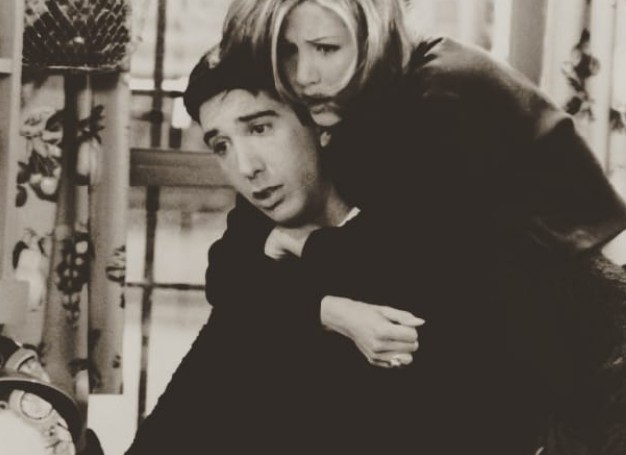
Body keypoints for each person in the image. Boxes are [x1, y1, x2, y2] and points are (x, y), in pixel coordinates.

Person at [187, 0, 626, 453]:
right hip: (533, 361)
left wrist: (304, 246)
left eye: (326, 48)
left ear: (372, 33)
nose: (304, 76)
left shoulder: (437, 99)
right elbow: (228, 270)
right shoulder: (343, 114)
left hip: (590, 354)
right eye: (287, 52)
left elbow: (402, 268)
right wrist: (329, 310)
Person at [126, 50, 428, 454]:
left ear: (319, 123)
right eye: (221, 145)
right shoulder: (257, 223)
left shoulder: (403, 222)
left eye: (259, 128)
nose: (246, 167)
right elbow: (223, 277)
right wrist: (331, 312)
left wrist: (301, 248)